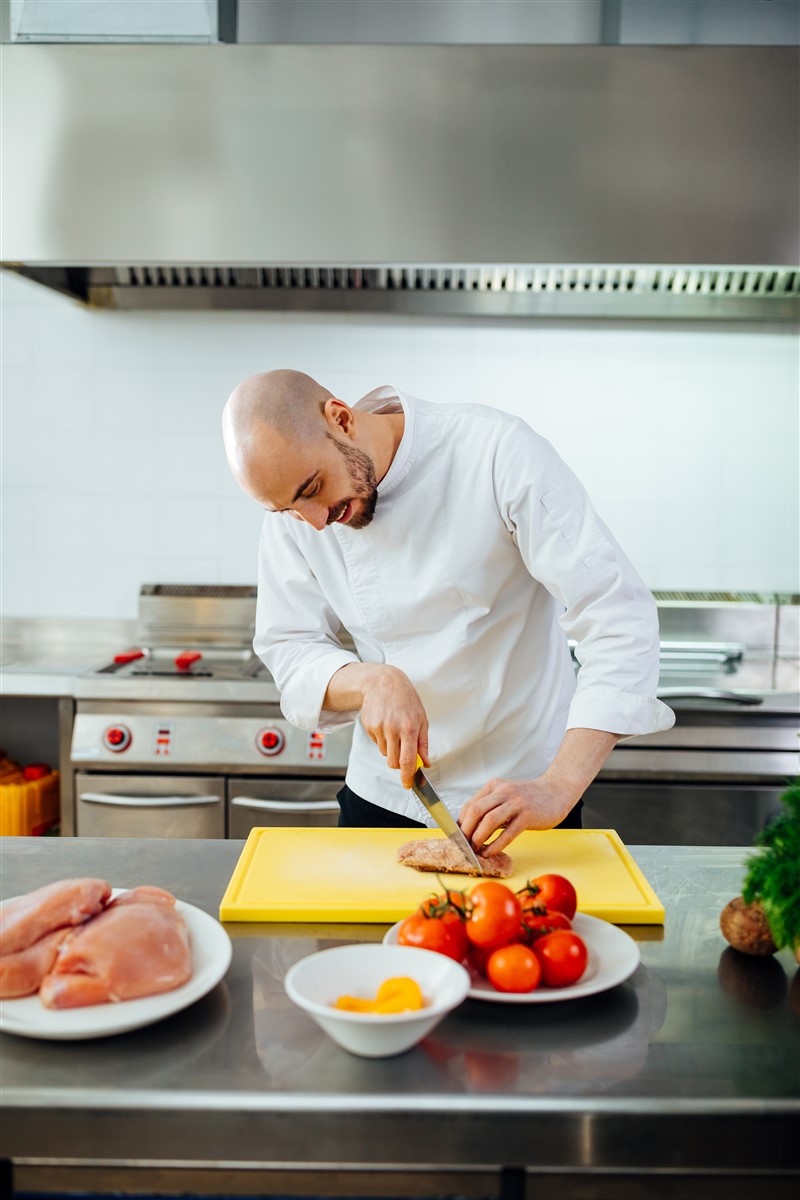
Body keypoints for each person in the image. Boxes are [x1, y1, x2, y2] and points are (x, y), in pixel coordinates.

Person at [222, 369, 674, 857]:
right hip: (387, 795)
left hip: (524, 799)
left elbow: (616, 614)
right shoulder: (299, 507)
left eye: (313, 488)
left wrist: (560, 786)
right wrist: (372, 681)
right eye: (286, 510)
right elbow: (289, 646)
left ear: (341, 418)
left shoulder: (495, 451)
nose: (312, 522)